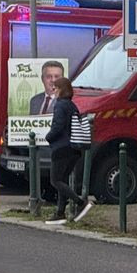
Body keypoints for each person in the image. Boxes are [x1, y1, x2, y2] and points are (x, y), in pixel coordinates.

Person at [43, 77, 93, 224]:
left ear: (62, 90)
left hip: (62, 148)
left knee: (55, 180)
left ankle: (80, 202)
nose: (54, 91)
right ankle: (60, 213)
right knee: (63, 180)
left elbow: (58, 126)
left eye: (56, 88)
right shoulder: (72, 106)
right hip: (74, 148)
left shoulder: (60, 105)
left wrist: (48, 137)